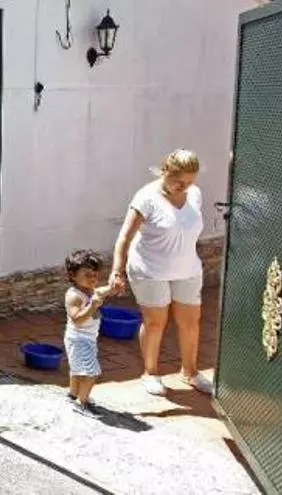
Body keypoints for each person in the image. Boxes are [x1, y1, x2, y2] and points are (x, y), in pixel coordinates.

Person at [109, 148, 213, 396]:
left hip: (187, 269)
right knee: (156, 322)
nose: (184, 187)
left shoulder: (194, 194)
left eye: (190, 182)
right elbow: (124, 238)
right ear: (165, 171)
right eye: (179, 181)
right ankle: (151, 373)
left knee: (190, 322)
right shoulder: (146, 198)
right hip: (150, 270)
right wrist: (117, 271)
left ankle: (190, 372)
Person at [63, 250, 112, 418]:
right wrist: (92, 306)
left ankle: (73, 394)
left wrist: (113, 288)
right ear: (73, 275)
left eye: (95, 275)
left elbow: (101, 291)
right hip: (79, 339)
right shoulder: (74, 296)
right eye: (87, 275)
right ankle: (81, 402)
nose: (92, 278)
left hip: (86, 338)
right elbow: (77, 319)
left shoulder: (89, 290)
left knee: (77, 369)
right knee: (91, 373)